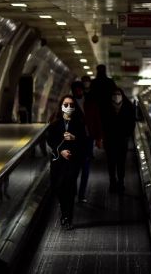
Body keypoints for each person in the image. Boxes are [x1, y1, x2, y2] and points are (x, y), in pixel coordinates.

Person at [46, 94, 88, 230]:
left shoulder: (79, 123)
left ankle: (67, 217)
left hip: (73, 161)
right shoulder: (55, 123)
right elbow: (50, 141)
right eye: (66, 105)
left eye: (71, 105)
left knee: (69, 188)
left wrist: (74, 138)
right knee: (58, 187)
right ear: (61, 106)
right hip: (58, 161)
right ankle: (64, 209)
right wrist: (61, 151)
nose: (68, 107)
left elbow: (85, 142)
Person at [70, 80, 102, 202]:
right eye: (76, 89)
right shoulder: (69, 103)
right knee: (74, 167)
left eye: (80, 89)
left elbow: (97, 120)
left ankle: (82, 194)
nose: (78, 91)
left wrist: (98, 138)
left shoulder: (90, 103)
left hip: (88, 139)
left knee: (85, 166)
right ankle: (73, 191)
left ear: (83, 90)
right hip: (75, 140)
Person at [102, 87, 135, 193]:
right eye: (114, 94)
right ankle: (112, 181)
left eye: (118, 94)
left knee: (121, 162)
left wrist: (127, 134)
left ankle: (121, 182)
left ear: (122, 95)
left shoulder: (128, 106)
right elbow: (102, 123)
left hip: (122, 139)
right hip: (109, 139)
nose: (116, 96)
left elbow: (132, 123)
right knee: (111, 162)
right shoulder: (106, 106)